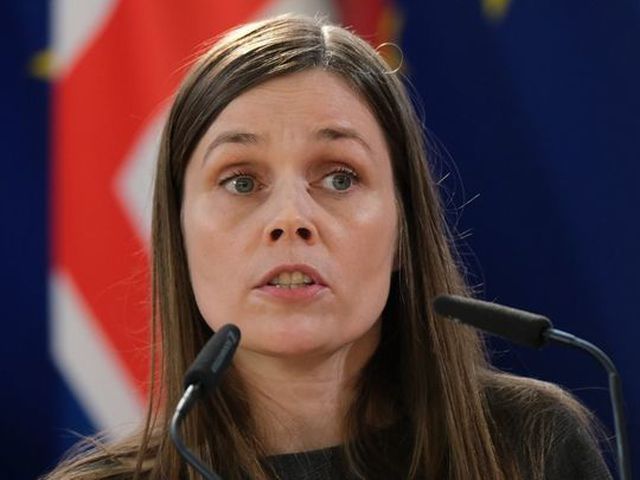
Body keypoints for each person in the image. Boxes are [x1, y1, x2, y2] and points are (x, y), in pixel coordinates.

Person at [43, 14, 613, 480]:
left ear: (403, 227)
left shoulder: (530, 445)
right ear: (180, 233)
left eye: (340, 177)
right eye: (241, 181)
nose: (291, 219)